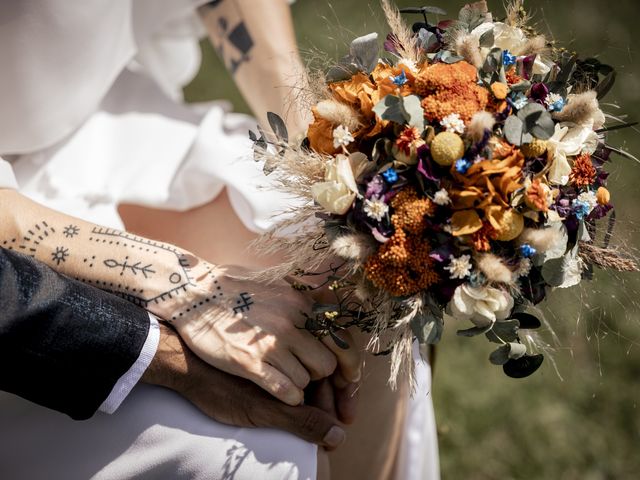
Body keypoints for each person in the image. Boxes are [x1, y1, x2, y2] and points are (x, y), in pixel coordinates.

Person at [0, 0, 439, 478]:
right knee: (259, 450)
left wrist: (316, 153)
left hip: (101, 123)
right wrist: (191, 287)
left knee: (361, 273)